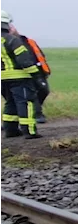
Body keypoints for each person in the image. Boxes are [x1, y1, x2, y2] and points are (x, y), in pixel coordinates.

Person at [0, 10, 42, 139]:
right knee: (27, 102)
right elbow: (24, 60)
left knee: (11, 103)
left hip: (2, 79)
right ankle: (29, 131)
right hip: (19, 77)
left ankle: (10, 130)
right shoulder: (12, 40)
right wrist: (37, 75)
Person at [10, 26, 51, 123]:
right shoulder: (8, 43)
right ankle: (37, 114)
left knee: (44, 90)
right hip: (21, 73)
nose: (11, 29)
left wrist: (44, 71)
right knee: (30, 95)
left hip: (37, 71)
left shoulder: (28, 41)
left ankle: (34, 112)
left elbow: (40, 55)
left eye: (12, 27)